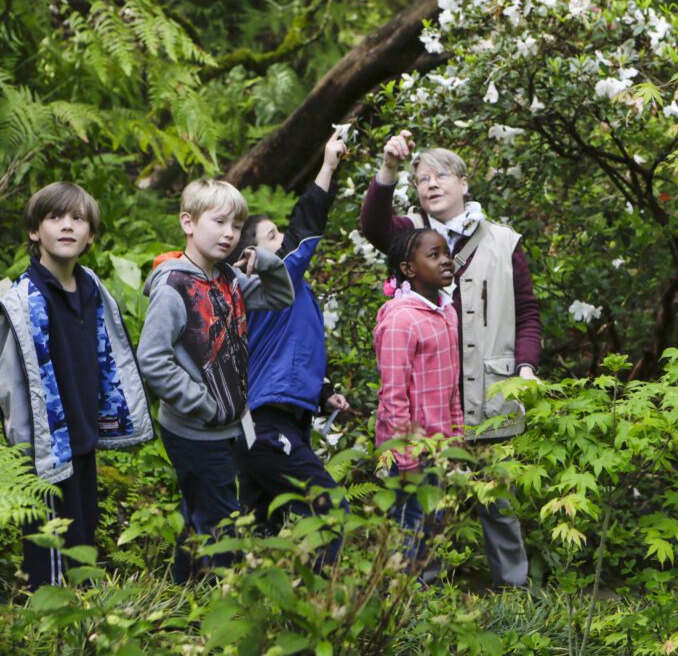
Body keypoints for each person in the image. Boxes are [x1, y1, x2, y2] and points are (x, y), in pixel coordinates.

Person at [360, 131, 542, 587]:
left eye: (441, 175)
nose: (430, 184)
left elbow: (528, 314)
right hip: (431, 404)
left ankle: (513, 589)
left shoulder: (503, 241)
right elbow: (373, 227)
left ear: (463, 182)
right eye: (421, 178)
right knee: (427, 506)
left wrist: (525, 368)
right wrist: (388, 169)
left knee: (499, 501)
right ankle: (426, 593)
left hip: (492, 394)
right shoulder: (409, 237)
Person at [0, 182, 154, 589]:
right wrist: (30, 450)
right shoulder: (21, 302)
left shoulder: (92, 289)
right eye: (54, 217)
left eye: (78, 219)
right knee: (50, 551)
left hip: (83, 437)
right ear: (34, 231)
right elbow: (10, 386)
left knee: (83, 536)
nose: (67, 226)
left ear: (90, 234)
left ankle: (84, 623)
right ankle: (48, 627)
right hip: (46, 451)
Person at [137, 179, 294, 583]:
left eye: (237, 226)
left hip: (229, 423)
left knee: (201, 510)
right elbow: (152, 359)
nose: (229, 233)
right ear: (188, 223)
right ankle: (222, 603)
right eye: (219, 221)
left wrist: (269, 261)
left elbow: (280, 299)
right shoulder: (174, 287)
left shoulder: (228, 279)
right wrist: (202, 404)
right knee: (223, 523)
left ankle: (183, 588)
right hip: (195, 428)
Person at [225, 133, 350, 563]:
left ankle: (247, 606)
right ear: (250, 255)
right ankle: (324, 604)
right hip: (265, 423)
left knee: (260, 527)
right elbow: (307, 228)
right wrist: (328, 165)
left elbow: (286, 350)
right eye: (273, 236)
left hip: (275, 420)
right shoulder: (267, 281)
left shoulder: (288, 291)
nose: (283, 243)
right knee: (329, 509)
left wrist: (321, 392)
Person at [374, 228, 462, 570]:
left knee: (434, 525)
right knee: (407, 527)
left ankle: (429, 600)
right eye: (434, 255)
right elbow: (393, 396)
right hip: (407, 452)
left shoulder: (447, 312)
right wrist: (406, 457)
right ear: (408, 269)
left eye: (446, 253)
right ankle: (399, 602)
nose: (446, 261)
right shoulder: (401, 319)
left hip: (439, 446)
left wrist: (456, 440)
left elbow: (452, 385)